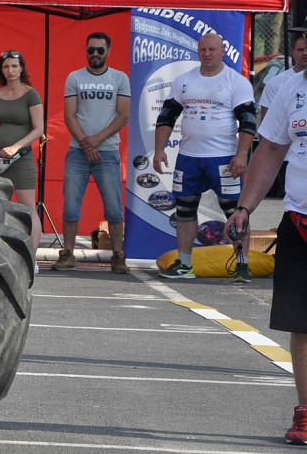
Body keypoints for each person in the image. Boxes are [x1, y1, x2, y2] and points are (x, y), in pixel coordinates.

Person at [222, 36, 306, 445]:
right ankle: (305, 413)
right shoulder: (291, 86)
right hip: (300, 221)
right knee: (302, 325)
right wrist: (244, 208)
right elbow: (271, 150)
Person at [153, 33, 256, 282]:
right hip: (189, 158)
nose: (207, 54)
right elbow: (167, 116)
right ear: (197, 51)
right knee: (185, 209)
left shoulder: (236, 81)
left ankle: (242, 264)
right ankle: (185, 264)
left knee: (235, 210)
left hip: (223, 159)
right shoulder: (184, 81)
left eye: (212, 49)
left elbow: (248, 121)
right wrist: (159, 149)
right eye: (202, 49)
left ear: (222, 51)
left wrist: (241, 154)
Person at [53, 32, 132, 274]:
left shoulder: (120, 78)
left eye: (100, 50)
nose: (95, 54)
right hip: (78, 153)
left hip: (107, 152)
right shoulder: (74, 77)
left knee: (114, 208)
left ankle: (118, 256)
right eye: (91, 50)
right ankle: (68, 254)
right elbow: (69, 116)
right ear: (86, 51)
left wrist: (95, 142)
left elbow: (124, 116)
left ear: (109, 52)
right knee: (70, 207)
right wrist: (86, 145)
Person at [0, 50, 44, 260]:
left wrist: (16, 146)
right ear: (1, 70)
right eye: (6, 66)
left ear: (21, 68)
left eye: (14, 66)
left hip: (21, 158)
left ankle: (32, 257)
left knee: (28, 208)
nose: (10, 70)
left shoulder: (31, 94)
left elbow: (38, 129)